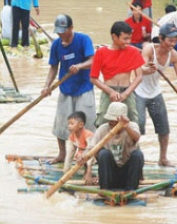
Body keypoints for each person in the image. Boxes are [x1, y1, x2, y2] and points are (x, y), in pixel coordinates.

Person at [136, 23, 177, 167]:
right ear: (161, 39)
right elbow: (139, 69)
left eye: (175, 41)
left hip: (155, 92)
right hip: (139, 91)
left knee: (163, 127)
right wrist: (148, 68)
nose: (172, 44)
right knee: (138, 125)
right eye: (170, 40)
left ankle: (163, 158)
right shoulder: (149, 49)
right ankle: (134, 156)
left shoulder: (174, 55)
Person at [41, 14, 96, 163]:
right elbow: (53, 67)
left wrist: (80, 66)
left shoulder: (83, 40)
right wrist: (47, 86)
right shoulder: (56, 45)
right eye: (58, 31)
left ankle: (89, 154)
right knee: (62, 122)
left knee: (88, 122)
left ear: (71, 28)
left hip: (84, 87)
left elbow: (92, 61)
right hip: (66, 88)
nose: (61, 34)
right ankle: (62, 154)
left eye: (63, 31)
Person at [90, 21, 144, 127]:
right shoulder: (101, 52)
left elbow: (139, 76)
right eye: (125, 39)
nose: (128, 42)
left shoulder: (133, 51)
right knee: (102, 122)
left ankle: (133, 144)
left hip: (127, 90)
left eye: (129, 38)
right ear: (114, 37)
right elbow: (93, 78)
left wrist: (126, 94)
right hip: (108, 91)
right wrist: (110, 91)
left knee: (132, 122)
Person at [82, 102, 144, 190]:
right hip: (110, 173)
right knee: (103, 153)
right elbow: (91, 149)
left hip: (128, 174)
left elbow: (136, 138)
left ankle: (130, 189)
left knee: (138, 154)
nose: (111, 122)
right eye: (110, 120)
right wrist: (88, 172)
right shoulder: (103, 129)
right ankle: (105, 189)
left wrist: (126, 126)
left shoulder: (132, 127)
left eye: (114, 121)